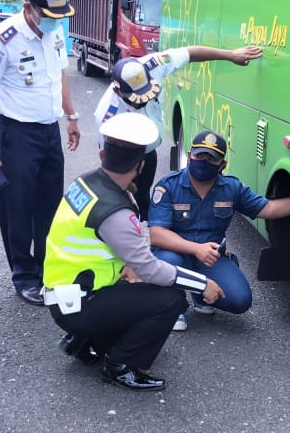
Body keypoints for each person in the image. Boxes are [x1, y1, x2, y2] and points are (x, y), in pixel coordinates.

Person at [42, 112, 224, 390]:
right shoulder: (114, 209)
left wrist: (129, 267)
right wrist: (203, 283)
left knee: (136, 288)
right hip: (79, 303)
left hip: (67, 293)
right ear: (140, 165)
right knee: (170, 299)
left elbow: (113, 242)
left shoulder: (87, 182)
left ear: (103, 154)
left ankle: (84, 342)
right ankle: (119, 366)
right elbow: (150, 268)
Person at [0, 0, 81, 306]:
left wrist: (71, 116)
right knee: (17, 206)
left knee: (50, 205)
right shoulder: (3, 39)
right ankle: (23, 275)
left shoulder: (54, 31)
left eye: (59, 17)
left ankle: (45, 268)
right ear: (28, 8)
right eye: (48, 16)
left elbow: (59, 74)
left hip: (49, 131)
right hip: (16, 133)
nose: (55, 22)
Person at [149, 130, 290, 331]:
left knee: (240, 300)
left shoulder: (232, 188)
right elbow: (157, 234)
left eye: (211, 158)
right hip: (174, 254)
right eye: (199, 155)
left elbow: (269, 208)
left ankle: (199, 294)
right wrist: (196, 249)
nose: (203, 161)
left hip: (211, 258)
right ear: (189, 155)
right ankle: (173, 305)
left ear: (222, 165)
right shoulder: (168, 186)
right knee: (168, 261)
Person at [93, 45, 262, 217]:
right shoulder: (107, 117)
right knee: (122, 204)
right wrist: (126, 185)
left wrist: (230, 54)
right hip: (127, 155)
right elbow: (109, 165)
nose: (145, 101)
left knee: (143, 199)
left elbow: (190, 53)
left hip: (149, 150)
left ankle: (143, 218)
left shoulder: (153, 65)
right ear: (118, 91)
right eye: (138, 101)